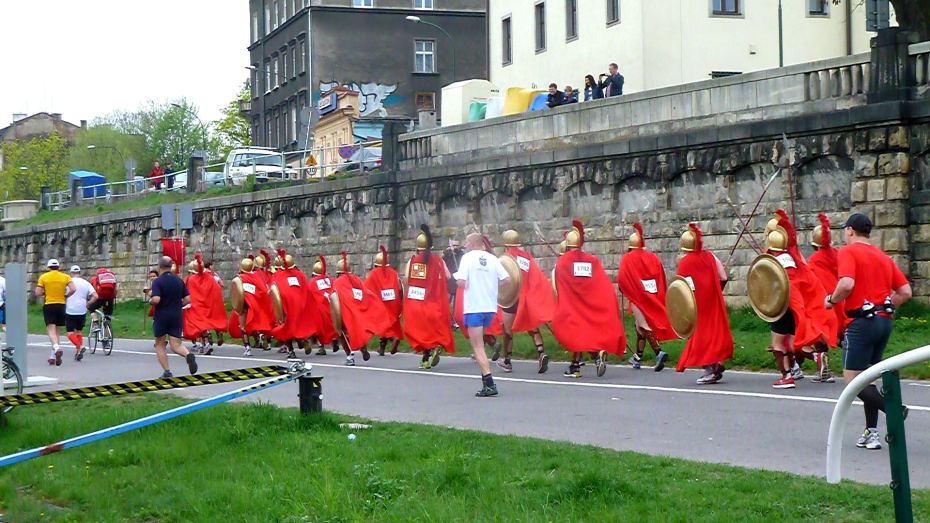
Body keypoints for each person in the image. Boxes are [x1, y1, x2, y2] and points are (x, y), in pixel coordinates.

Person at [823, 212, 911, 451]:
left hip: (861, 323)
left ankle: (894, 410)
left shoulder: (848, 251)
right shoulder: (883, 256)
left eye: (845, 230)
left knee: (853, 381)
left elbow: (847, 283)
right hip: (883, 321)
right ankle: (871, 433)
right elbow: (905, 292)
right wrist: (887, 305)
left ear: (850, 230)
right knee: (868, 378)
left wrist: (831, 299)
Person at [762, 217, 834, 389]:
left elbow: (765, 284)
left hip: (781, 304)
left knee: (779, 343)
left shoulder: (770, 260)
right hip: (796, 302)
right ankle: (813, 359)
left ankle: (787, 376)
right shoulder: (792, 256)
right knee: (794, 342)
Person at [552, 220, 626, 379]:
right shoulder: (591, 260)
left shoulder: (563, 261)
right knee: (582, 333)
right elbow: (600, 281)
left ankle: (577, 366)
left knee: (574, 332)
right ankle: (590, 358)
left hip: (573, 303)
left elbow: (560, 283)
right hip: (589, 302)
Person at [674, 223, 733, 384]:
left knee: (700, 337)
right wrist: (715, 291)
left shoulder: (685, 262)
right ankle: (717, 363)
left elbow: (681, 289)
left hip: (696, 305)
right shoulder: (710, 257)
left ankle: (710, 369)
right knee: (713, 333)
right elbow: (723, 277)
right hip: (712, 301)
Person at [454, 232, 510, 397]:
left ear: (472, 244)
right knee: (481, 344)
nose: (465, 245)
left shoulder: (468, 258)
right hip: (489, 307)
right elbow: (506, 279)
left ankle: (489, 382)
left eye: (466, 242)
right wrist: (492, 285)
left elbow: (462, 282)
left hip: (474, 306)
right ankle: (486, 379)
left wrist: (456, 279)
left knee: (477, 347)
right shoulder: (492, 258)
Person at [616, 223, 674, 371]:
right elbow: (659, 275)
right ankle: (637, 357)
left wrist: (626, 290)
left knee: (643, 325)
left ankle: (658, 352)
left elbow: (622, 278)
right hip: (651, 295)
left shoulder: (628, 258)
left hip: (638, 297)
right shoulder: (652, 257)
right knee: (639, 326)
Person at [499, 230, 554, 374]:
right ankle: (541, 352)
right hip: (525, 297)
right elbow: (535, 276)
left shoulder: (505, 258)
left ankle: (507, 361)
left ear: (505, 244)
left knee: (507, 330)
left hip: (511, 297)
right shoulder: (526, 257)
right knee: (532, 326)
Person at [404, 225, 456, 369]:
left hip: (422, 303)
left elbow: (410, 282)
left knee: (422, 331)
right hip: (437, 302)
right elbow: (448, 276)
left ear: (418, 247)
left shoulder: (414, 261)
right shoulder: (439, 260)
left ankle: (426, 358)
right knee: (435, 329)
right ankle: (434, 349)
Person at [332, 252, 392, 366]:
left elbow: (335, 299)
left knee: (341, 333)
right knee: (357, 330)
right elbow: (365, 293)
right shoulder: (356, 279)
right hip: (359, 310)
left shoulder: (338, 282)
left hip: (347, 312)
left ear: (338, 273)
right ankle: (363, 348)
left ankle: (350, 356)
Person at [807, 212, 844, 382]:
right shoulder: (838, 254)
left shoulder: (814, 260)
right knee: (846, 335)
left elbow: (810, 283)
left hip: (825, 302)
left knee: (820, 336)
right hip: (841, 299)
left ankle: (824, 371)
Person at [150, 256, 198, 378]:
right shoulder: (179, 281)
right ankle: (188, 355)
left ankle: (167, 371)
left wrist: (150, 300)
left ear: (159, 267)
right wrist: (177, 305)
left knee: (160, 344)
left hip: (162, 315)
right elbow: (187, 299)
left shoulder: (158, 281)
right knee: (176, 344)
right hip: (176, 314)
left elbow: (156, 299)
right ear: (171, 266)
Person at [268, 250, 315, 358]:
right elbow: (306, 289)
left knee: (286, 328)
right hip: (300, 305)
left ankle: (291, 351)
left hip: (286, 306)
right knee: (299, 325)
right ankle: (304, 340)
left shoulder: (278, 275)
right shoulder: (300, 274)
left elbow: (274, 291)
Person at [182, 254, 228, 355]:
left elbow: (188, 293)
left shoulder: (191, 279)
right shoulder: (210, 277)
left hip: (196, 305)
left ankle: (206, 343)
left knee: (199, 325)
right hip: (207, 304)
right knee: (204, 324)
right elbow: (217, 289)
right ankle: (205, 344)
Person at [229, 257, 275, 357]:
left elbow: (235, 291)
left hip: (243, 304)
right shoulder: (256, 277)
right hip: (253, 303)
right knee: (256, 321)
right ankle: (261, 335)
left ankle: (247, 348)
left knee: (242, 327)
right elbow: (263, 291)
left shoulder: (239, 278)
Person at [364, 246, 405, 356]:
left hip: (381, 303)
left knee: (382, 325)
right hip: (394, 303)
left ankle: (393, 338)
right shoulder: (394, 273)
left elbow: (366, 290)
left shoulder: (374, 274)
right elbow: (400, 288)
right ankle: (382, 349)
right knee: (390, 324)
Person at [35, 259, 76, 366]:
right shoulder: (65, 276)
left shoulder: (43, 277)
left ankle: (57, 348)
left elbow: (37, 293)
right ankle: (53, 356)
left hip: (49, 304)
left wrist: (45, 292)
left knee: (51, 329)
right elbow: (73, 289)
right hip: (61, 305)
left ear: (48, 267)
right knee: (57, 330)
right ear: (58, 267)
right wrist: (66, 295)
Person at [308, 256, 340, 355]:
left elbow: (309, 295)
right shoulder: (330, 279)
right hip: (331, 307)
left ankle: (321, 347)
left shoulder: (312, 282)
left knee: (318, 327)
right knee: (332, 325)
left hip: (320, 308)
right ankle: (334, 339)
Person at [64, 265, 97, 362]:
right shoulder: (86, 283)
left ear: (71, 273)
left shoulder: (68, 283)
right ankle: (78, 352)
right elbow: (95, 296)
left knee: (70, 333)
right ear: (79, 272)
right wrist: (88, 303)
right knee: (79, 331)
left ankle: (79, 346)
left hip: (70, 310)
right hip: (82, 310)